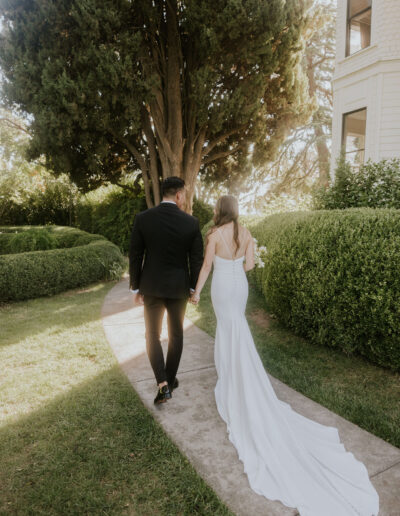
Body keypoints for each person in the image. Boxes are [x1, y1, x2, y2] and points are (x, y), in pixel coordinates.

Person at [191, 195, 379, 516]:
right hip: (239, 288)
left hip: (222, 288)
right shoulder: (246, 233)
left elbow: (207, 265)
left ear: (219, 211)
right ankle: (239, 376)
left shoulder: (214, 235)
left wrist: (196, 292)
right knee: (238, 330)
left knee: (228, 330)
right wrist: (246, 258)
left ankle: (232, 381)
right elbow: (249, 266)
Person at [129, 177, 203, 404]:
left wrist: (136, 287)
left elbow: (135, 255)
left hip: (151, 286)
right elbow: (196, 259)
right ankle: (169, 380)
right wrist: (192, 287)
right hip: (178, 288)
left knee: (152, 334)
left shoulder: (143, 219)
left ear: (164, 193)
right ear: (179, 195)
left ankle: (162, 383)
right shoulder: (191, 223)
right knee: (176, 334)